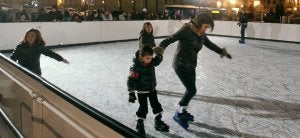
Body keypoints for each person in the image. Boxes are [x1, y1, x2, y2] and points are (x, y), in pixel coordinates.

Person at [158, 12, 232, 129]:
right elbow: (170, 39)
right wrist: (160, 49)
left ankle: (182, 110)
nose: (206, 29)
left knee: (191, 90)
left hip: (191, 65)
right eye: (206, 26)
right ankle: (178, 112)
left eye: (208, 27)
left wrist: (222, 52)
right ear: (199, 23)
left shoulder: (201, 34)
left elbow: (210, 44)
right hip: (180, 65)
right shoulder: (186, 30)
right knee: (191, 90)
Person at [127, 45, 169, 135]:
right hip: (141, 91)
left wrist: (160, 54)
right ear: (141, 57)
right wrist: (131, 93)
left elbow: (157, 61)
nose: (150, 60)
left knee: (156, 106)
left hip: (152, 89)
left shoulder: (151, 61)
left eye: (151, 57)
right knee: (143, 108)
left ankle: (158, 122)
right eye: (147, 58)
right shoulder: (135, 66)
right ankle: (140, 124)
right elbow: (131, 80)